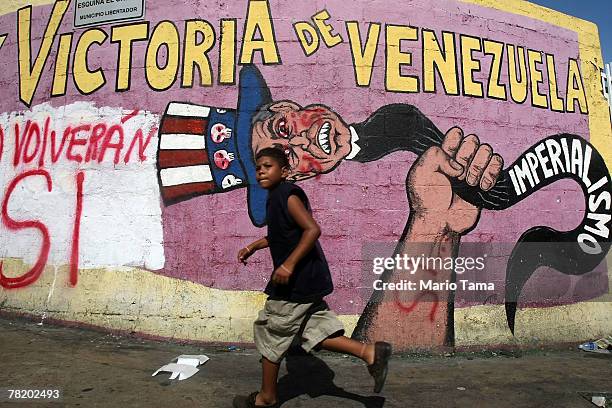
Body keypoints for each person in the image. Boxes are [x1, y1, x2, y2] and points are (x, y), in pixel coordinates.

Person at [233, 147, 392, 408]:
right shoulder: (276, 197)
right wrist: (253, 246)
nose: (261, 170)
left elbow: (311, 230)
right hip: (307, 282)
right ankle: (369, 352)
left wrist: (288, 265)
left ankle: (266, 398)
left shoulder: (286, 195)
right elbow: (282, 234)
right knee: (313, 330)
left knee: (271, 333)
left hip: (294, 283)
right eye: (258, 167)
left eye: (268, 166)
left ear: (284, 171)